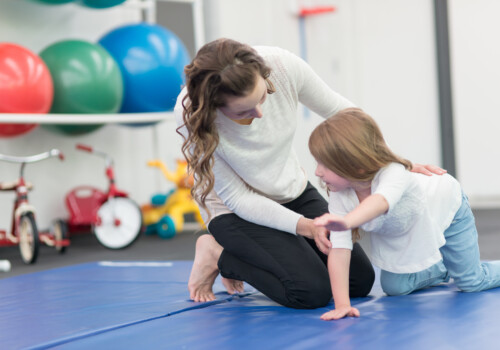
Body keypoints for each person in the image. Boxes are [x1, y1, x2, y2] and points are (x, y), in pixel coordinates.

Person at [174, 38, 442, 309]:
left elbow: (346, 114)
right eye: (243, 112)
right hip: (234, 212)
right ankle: (217, 254)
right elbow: (238, 199)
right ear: (214, 107)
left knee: (358, 282)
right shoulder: (192, 112)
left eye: (263, 96)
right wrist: (305, 227)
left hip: (290, 190)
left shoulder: (281, 65)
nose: (259, 113)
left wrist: (387, 161)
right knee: (309, 292)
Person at [310, 107, 500, 320]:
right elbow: (340, 250)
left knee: (472, 282)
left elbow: (380, 202)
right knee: (395, 287)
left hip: (448, 209)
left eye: (324, 165)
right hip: (408, 229)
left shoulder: (393, 172)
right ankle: (443, 266)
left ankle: (457, 265)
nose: (317, 172)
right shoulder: (340, 194)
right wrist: (342, 305)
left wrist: (346, 221)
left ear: (356, 166)